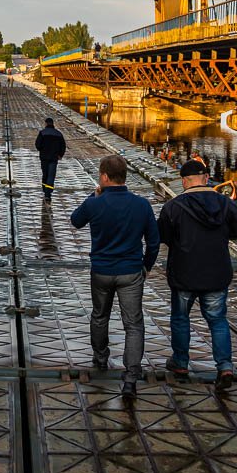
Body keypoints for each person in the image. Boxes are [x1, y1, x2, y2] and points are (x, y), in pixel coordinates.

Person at [70, 154, 160, 399]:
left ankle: (100, 358)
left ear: (105, 177)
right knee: (133, 324)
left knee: (100, 316)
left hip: (101, 270)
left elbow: (75, 221)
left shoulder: (95, 203)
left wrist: (93, 196)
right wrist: (146, 266)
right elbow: (154, 241)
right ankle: (131, 377)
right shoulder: (142, 205)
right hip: (131, 271)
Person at [156, 158, 237, 390]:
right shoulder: (226, 204)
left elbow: (162, 236)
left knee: (181, 319)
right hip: (217, 272)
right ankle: (225, 366)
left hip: (184, 272)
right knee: (217, 320)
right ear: (206, 178)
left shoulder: (173, 207)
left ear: (184, 182)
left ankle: (181, 362)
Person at [35, 117, 66, 204]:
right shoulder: (59, 134)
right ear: (53, 124)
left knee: (45, 174)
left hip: (44, 158)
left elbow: (37, 145)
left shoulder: (42, 133)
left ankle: (45, 191)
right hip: (54, 158)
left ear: (46, 123)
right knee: (51, 176)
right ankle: (48, 194)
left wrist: (42, 150)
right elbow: (63, 146)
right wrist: (60, 155)